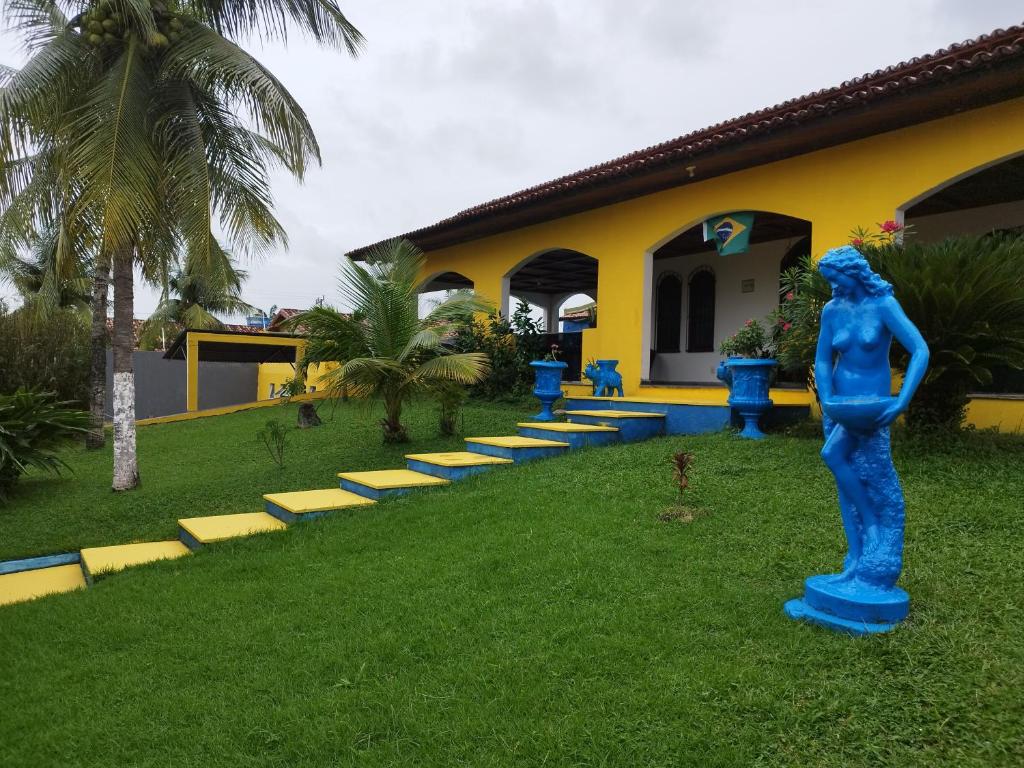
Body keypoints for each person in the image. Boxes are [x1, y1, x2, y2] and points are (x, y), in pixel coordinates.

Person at [815, 245, 929, 584]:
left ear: (853, 273)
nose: (833, 287)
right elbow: (822, 358)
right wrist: (826, 397)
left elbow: (920, 349)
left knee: (837, 457)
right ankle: (854, 557)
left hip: (871, 406)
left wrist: (902, 400)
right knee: (842, 479)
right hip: (837, 405)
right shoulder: (832, 310)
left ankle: (875, 529)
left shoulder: (884, 305)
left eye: (836, 279)